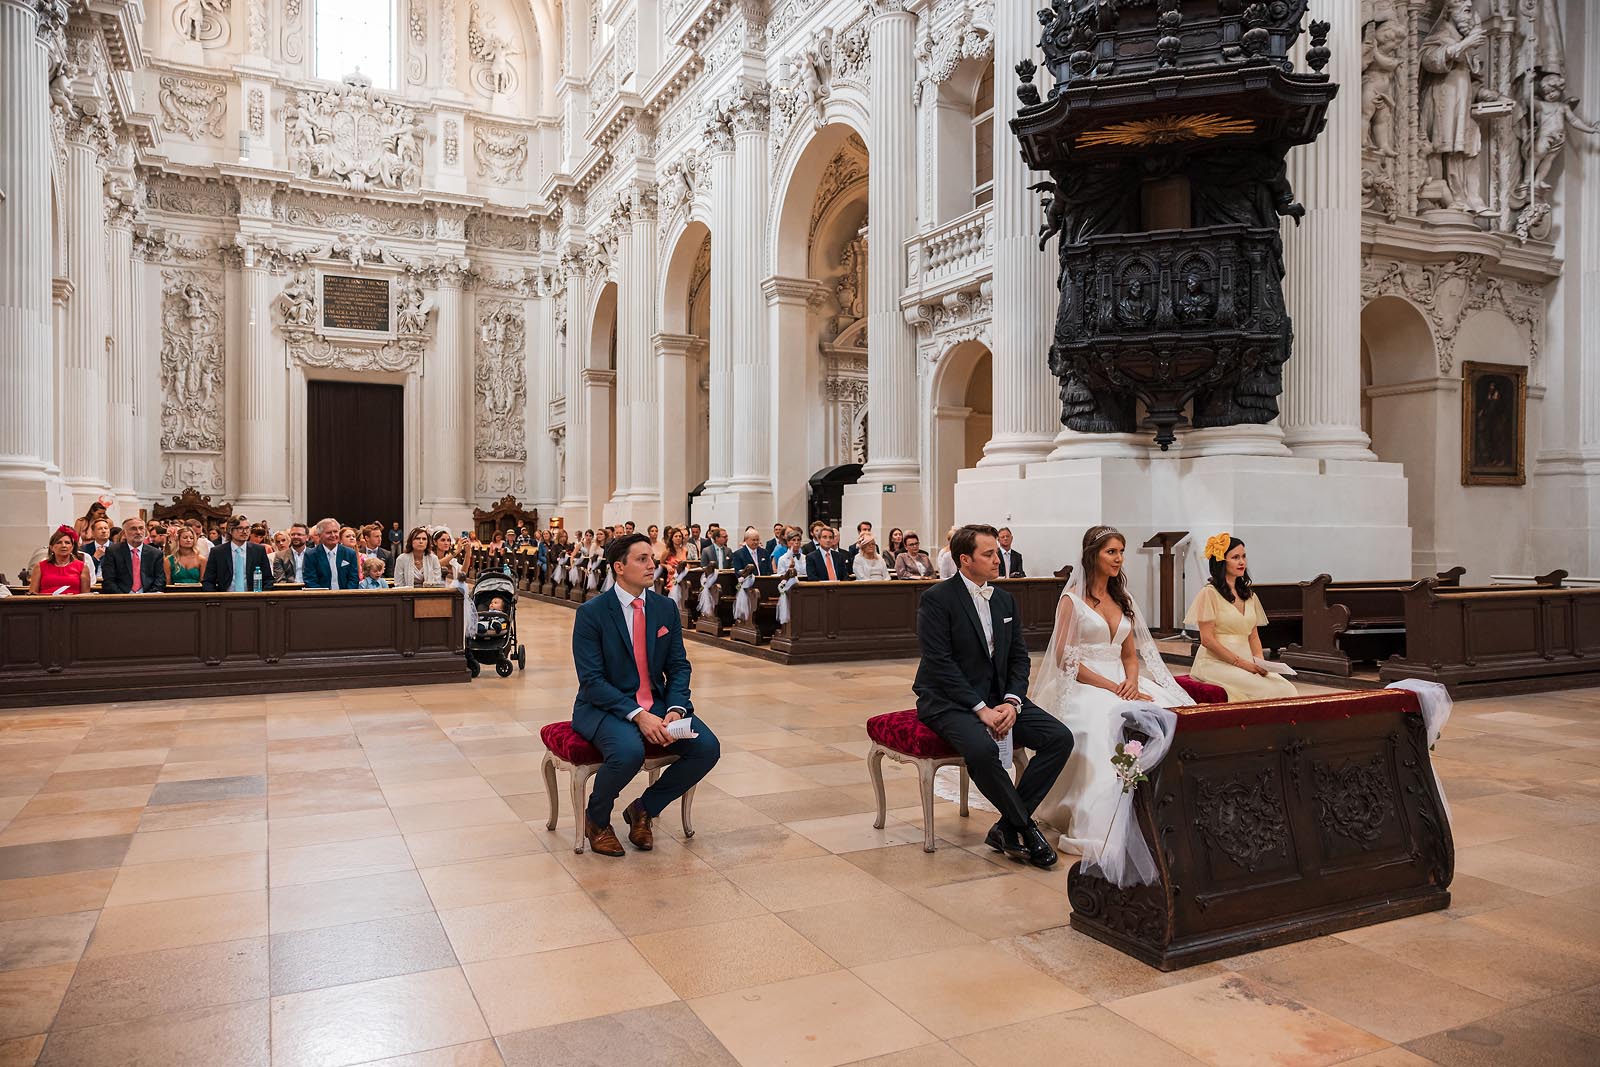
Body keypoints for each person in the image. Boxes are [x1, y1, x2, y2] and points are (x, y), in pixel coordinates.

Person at [913, 524, 1073, 870]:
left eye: (997, 552)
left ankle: (1005, 827)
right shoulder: (937, 599)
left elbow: (1019, 656)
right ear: (964, 559)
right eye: (989, 554)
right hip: (948, 700)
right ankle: (1026, 829)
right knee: (982, 750)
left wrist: (1013, 701)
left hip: (1001, 696)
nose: (998, 558)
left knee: (1059, 738)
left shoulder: (1004, 598)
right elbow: (939, 664)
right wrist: (981, 709)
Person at [1033, 525, 1194, 857]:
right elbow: (1065, 658)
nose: (1119, 558)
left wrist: (1132, 682)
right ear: (1093, 555)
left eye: (1121, 551)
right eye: (1111, 551)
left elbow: (1130, 655)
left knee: (1165, 714)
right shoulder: (1072, 600)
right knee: (1101, 726)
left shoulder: (1124, 598)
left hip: (1123, 681)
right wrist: (1111, 686)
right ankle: (1107, 820)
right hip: (1085, 682)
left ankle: (1164, 810)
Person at [570, 533, 721, 857]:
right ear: (619, 567)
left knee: (707, 748)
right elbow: (592, 681)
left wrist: (676, 708)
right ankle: (596, 820)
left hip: (657, 700)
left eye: (651, 557)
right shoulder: (592, 614)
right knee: (628, 751)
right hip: (605, 707)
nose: (652, 564)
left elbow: (679, 665)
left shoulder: (664, 608)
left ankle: (643, 809)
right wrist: (638, 715)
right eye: (642, 559)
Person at [1185, 533, 1297, 701]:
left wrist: (1260, 662)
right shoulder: (1209, 593)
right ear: (1222, 561)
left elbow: (1253, 636)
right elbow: (1207, 640)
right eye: (1235, 557)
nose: (1242, 562)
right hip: (1215, 663)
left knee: (1287, 688)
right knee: (1268, 691)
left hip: (1248, 661)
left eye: (1244, 556)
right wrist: (1242, 664)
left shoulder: (1249, 595)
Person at [202, 517, 276, 592]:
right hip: (225, 599)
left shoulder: (258, 551)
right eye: (240, 528)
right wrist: (216, 598)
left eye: (247, 528)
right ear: (230, 530)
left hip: (253, 598)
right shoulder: (218, 552)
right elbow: (208, 581)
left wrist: (261, 597)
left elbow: (268, 579)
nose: (245, 532)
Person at [100, 516, 165, 594]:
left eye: (141, 528)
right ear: (124, 533)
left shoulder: (155, 553)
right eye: (133, 529)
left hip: (148, 599)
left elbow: (160, 580)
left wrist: (147, 597)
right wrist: (124, 598)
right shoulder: (113, 551)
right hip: (120, 599)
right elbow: (109, 580)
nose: (138, 532)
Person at [303, 518, 361, 589]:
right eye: (329, 533)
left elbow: (354, 579)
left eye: (335, 532)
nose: (333, 535)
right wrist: (325, 597)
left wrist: (346, 596)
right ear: (320, 535)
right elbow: (310, 581)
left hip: (346, 597)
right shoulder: (311, 555)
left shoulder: (350, 553)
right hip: (321, 597)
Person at [30, 527, 91, 595]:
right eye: (59, 542)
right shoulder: (40, 566)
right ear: (51, 547)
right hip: (46, 604)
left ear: (72, 547)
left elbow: (85, 595)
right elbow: (33, 593)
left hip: (73, 604)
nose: (63, 545)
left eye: (67, 543)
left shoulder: (82, 567)